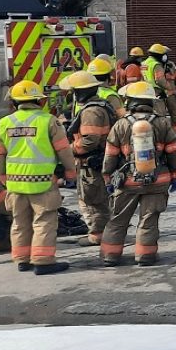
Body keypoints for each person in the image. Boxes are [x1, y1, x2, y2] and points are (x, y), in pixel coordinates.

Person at [0, 80, 76, 274]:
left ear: (14, 102)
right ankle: (43, 261)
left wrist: (2, 176)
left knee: (20, 221)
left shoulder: (4, 123)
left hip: (15, 182)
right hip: (42, 181)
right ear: (39, 101)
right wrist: (71, 172)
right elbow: (63, 150)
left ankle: (22, 259)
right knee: (44, 220)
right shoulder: (48, 121)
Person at [100, 81, 176, 266]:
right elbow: (173, 152)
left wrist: (108, 179)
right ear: (151, 102)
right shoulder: (162, 123)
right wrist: (175, 176)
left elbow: (110, 156)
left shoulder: (120, 125)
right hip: (157, 180)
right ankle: (145, 256)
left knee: (118, 219)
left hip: (127, 183)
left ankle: (110, 256)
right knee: (149, 220)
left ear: (130, 102)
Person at [62, 71, 117, 247]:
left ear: (80, 92)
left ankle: (98, 235)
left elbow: (90, 141)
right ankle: (106, 232)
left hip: (91, 163)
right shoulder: (99, 106)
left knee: (93, 200)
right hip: (97, 161)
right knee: (98, 198)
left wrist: (68, 150)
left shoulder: (92, 111)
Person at [142, 43, 176, 138]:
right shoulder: (156, 65)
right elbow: (160, 80)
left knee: (172, 112)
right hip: (160, 92)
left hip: (153, 92)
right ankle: (161, 134)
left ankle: (175, 132)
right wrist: (170, 88)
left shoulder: (144, 64)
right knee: (160, 114)